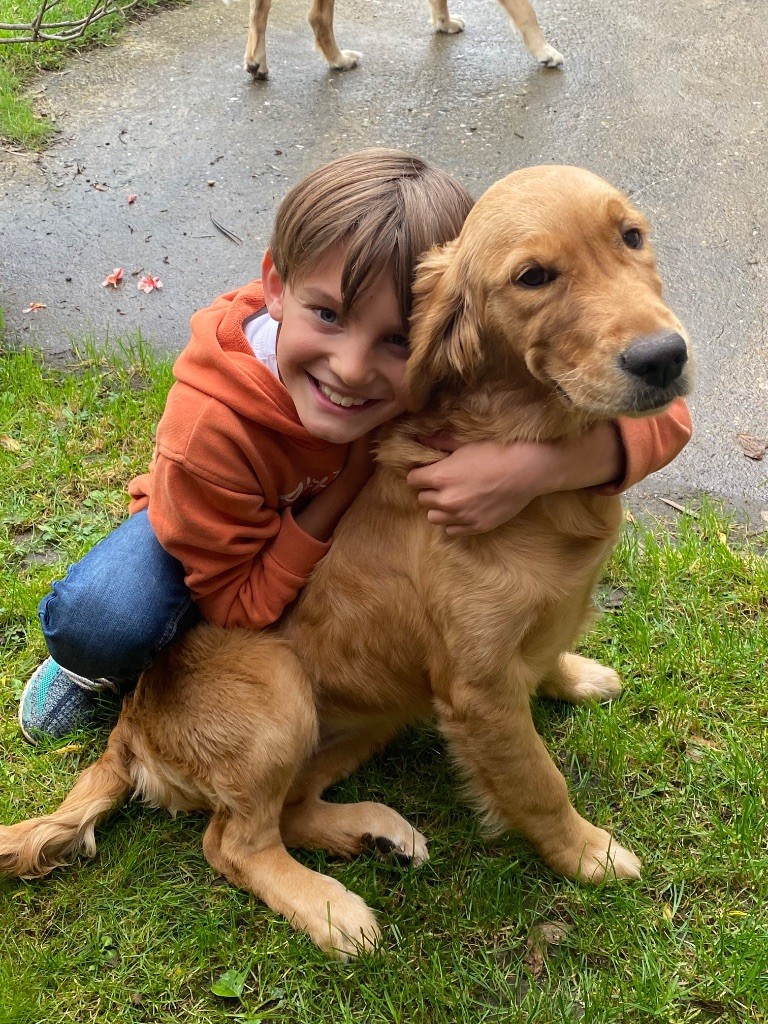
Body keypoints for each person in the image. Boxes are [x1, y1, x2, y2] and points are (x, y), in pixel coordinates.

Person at [19, 149, 692, 743]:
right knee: (114, 615)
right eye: (327, 315)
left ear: (445, 334)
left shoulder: (445, 358)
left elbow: (668, 420)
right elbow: (238, 606)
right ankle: (97, 670)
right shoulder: (209, 429)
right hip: (218, 537)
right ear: (275, 287)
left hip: (346, 544)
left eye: (397, 339)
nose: (349, 368)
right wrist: (344, 489)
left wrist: (533, 469)